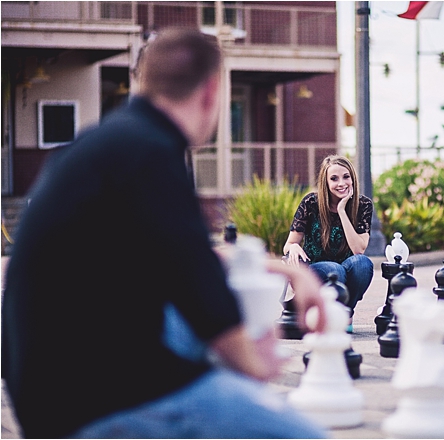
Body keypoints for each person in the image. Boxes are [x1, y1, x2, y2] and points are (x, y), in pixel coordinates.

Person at [1, 28, 327, 439]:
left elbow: (180, 254)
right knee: (304, 435)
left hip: (45, 393)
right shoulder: (150, 153)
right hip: (91, 406)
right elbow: (201, 292)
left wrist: (289, 271)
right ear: (211, 92)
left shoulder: (110, 143)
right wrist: (254, 364)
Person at [283, 155, 374, 332]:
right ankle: (327, 314)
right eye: (334, 178)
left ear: (352, 178)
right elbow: (289, 244)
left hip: (349, 267)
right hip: (317, 268)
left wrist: (342, 210)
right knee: (335, 270)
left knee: (363, 264)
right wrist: (293, 246)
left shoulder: (363, 205)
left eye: (346, 176)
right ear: (325, 182)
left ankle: (345, 313)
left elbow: (358, 249)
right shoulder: (311, 202)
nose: (341, 183)